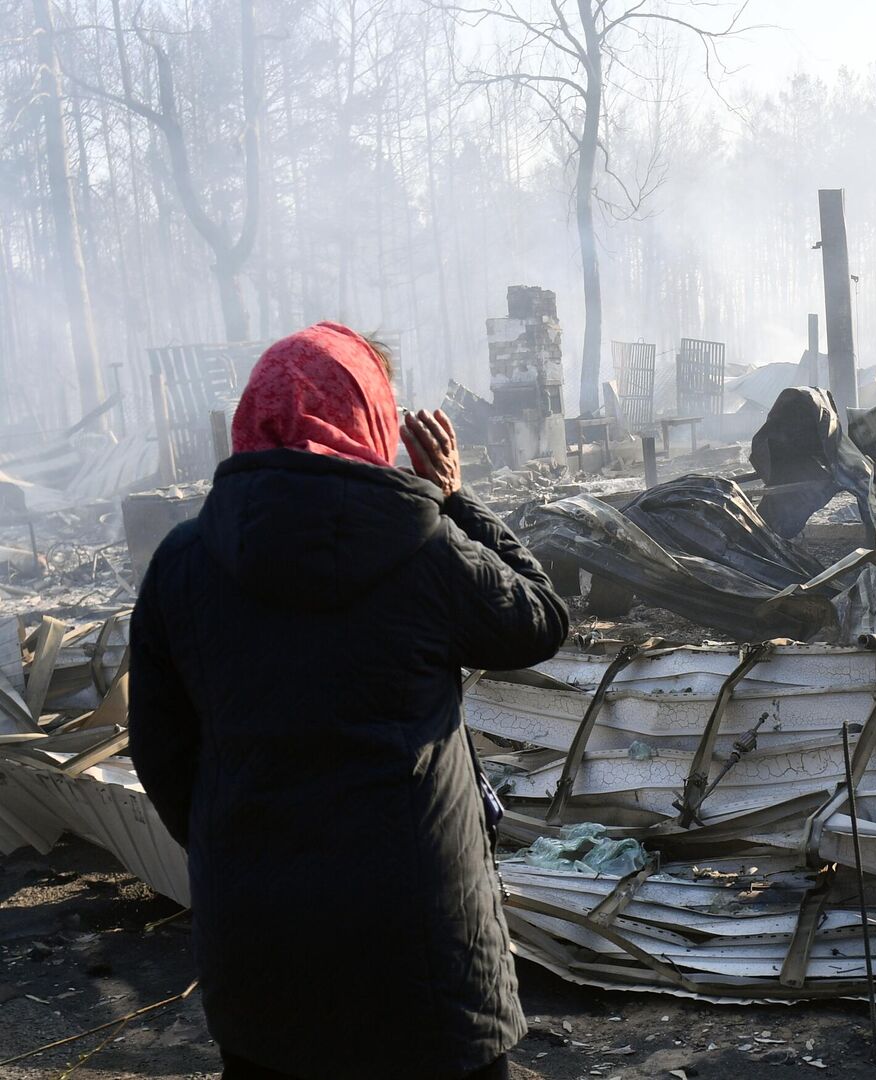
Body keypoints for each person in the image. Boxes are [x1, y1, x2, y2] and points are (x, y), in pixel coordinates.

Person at [128, 322, 569, 1079]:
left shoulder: (182, 562)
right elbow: (540, 623)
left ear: (253, 421)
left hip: (260, 940)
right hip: (423, 939)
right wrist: (457, 499)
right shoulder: (425, 547)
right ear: (369, 418)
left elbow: (160, 750)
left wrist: (229, 844)